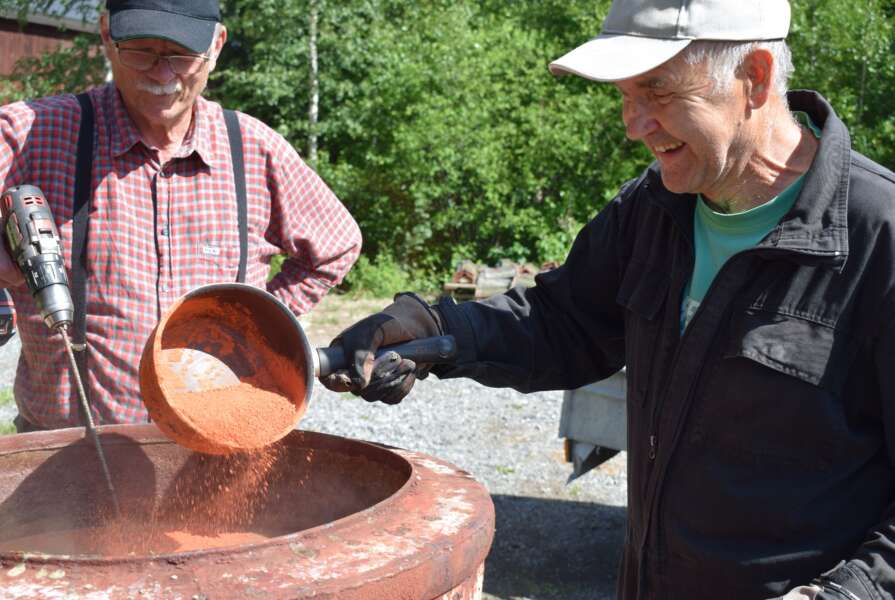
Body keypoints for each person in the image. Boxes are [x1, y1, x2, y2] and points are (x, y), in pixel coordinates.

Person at [320, 0, 895, 598]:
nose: (633, 123)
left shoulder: (879, 239)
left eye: (658, 91)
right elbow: (564, 323)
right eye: (625, 95)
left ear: (753, 78)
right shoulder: (652, 209)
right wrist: (434, 326)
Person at [0, 0, 361, 432]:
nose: (162, 73)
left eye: (181, 55)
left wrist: (258, 327)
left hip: (211, 453)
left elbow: (337, 245)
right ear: (106, 37)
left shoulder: (252, 149)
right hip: (67, 460)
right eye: (142, 50)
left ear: (217, 45)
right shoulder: (37, 133)